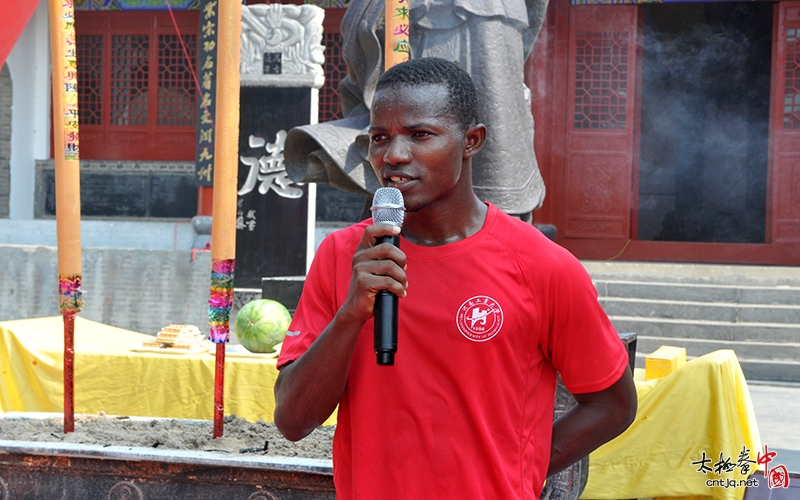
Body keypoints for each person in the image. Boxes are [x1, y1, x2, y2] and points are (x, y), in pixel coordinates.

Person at [274, 57, 637, 499]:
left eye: (420, 135)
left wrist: (522, 465)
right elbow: (293, 422)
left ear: (471, 141)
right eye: (379, 137)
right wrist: (351, 315)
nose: (394, 155)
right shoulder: (342, 257)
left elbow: (613, 404)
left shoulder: (542, 265)